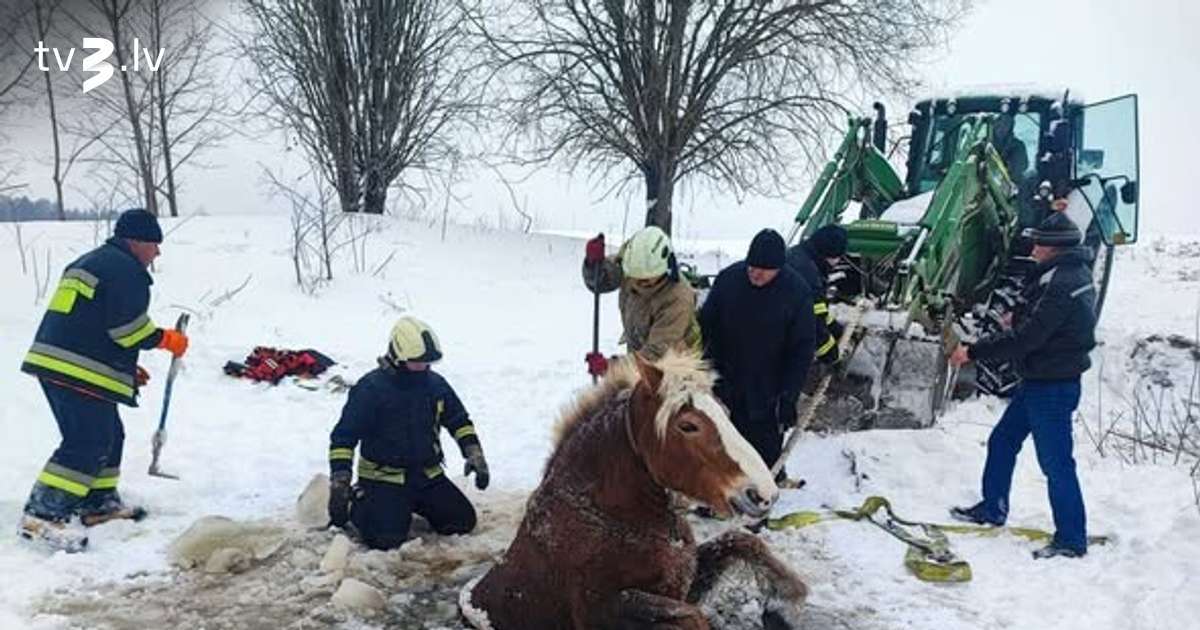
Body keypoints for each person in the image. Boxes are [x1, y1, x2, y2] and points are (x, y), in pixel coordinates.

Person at [18, 208, 190, 552]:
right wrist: (165, 339)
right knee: (87, 440)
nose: (158, 253)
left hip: (64, 361)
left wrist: (122, 368)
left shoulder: (92, 262)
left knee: (110, 435)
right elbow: (128, 329)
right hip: (74, 368)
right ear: (136, 241)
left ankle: (99, 503)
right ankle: (41, 514)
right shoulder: (127, 271)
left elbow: (90, 322)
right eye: (155, 244)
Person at [948, 212, 1097, 559]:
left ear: (1054, 248)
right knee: (1002, 441)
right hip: (1039, 380)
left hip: (1053, 387)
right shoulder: (1059, 274)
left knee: (1056, 463)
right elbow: (1043, 322)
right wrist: (1015, 315)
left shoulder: (1063, 281)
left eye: (1039, 242)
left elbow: (1030, 338)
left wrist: (973, 351)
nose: (1033, 247)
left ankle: (1071, 540)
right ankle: (992, 508)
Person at [327, 316, 489, 551]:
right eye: (417, 362)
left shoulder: (436, 385)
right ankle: (359, 503)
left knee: (462, 522)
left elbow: (459, 421)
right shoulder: (370, 390)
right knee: (386, 539)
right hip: (383, 479)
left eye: (428, 362)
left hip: (427, 476)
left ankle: (408, 506)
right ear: (398, 357)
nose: (423, 367)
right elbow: (343, 438)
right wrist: (340, 482)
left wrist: (474, 454)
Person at [699, 229, 816, 474]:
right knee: (722, 449)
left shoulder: (797, 292)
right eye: (752, 266)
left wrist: (789, 396)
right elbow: (706, 328)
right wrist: (707, 372)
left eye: (764, 269)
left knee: (763, 454)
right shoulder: (728, 280)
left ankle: (764, 497)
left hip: (769, 390)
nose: (756, 273)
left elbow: (801, 349)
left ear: (779, 268)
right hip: (727, 381)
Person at [582, 226, 701, 376]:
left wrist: (610, 368)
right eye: (634, 277)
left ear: (664, 269)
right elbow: (602, 281)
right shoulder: (632, 264)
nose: (637, 283)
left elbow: (656, 354)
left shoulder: (677, 298)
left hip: (674, 371)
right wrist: (594, 266)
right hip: (638, 359)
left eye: (645, 280)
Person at [786, 224, 849, 366]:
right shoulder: (810, 277)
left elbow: (818, 310)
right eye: (838, 257)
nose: (838, 262)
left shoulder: (798, 255)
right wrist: (830, 354)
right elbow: (812, 321)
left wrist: (835, 328)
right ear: (830, 253)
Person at [992, 113, 1029, 185]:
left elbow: (1020, 167)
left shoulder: (1017, 146)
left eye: (1006, 124)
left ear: (1011, 126)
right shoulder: (983, 144)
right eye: (999, 122)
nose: (1001, 127)